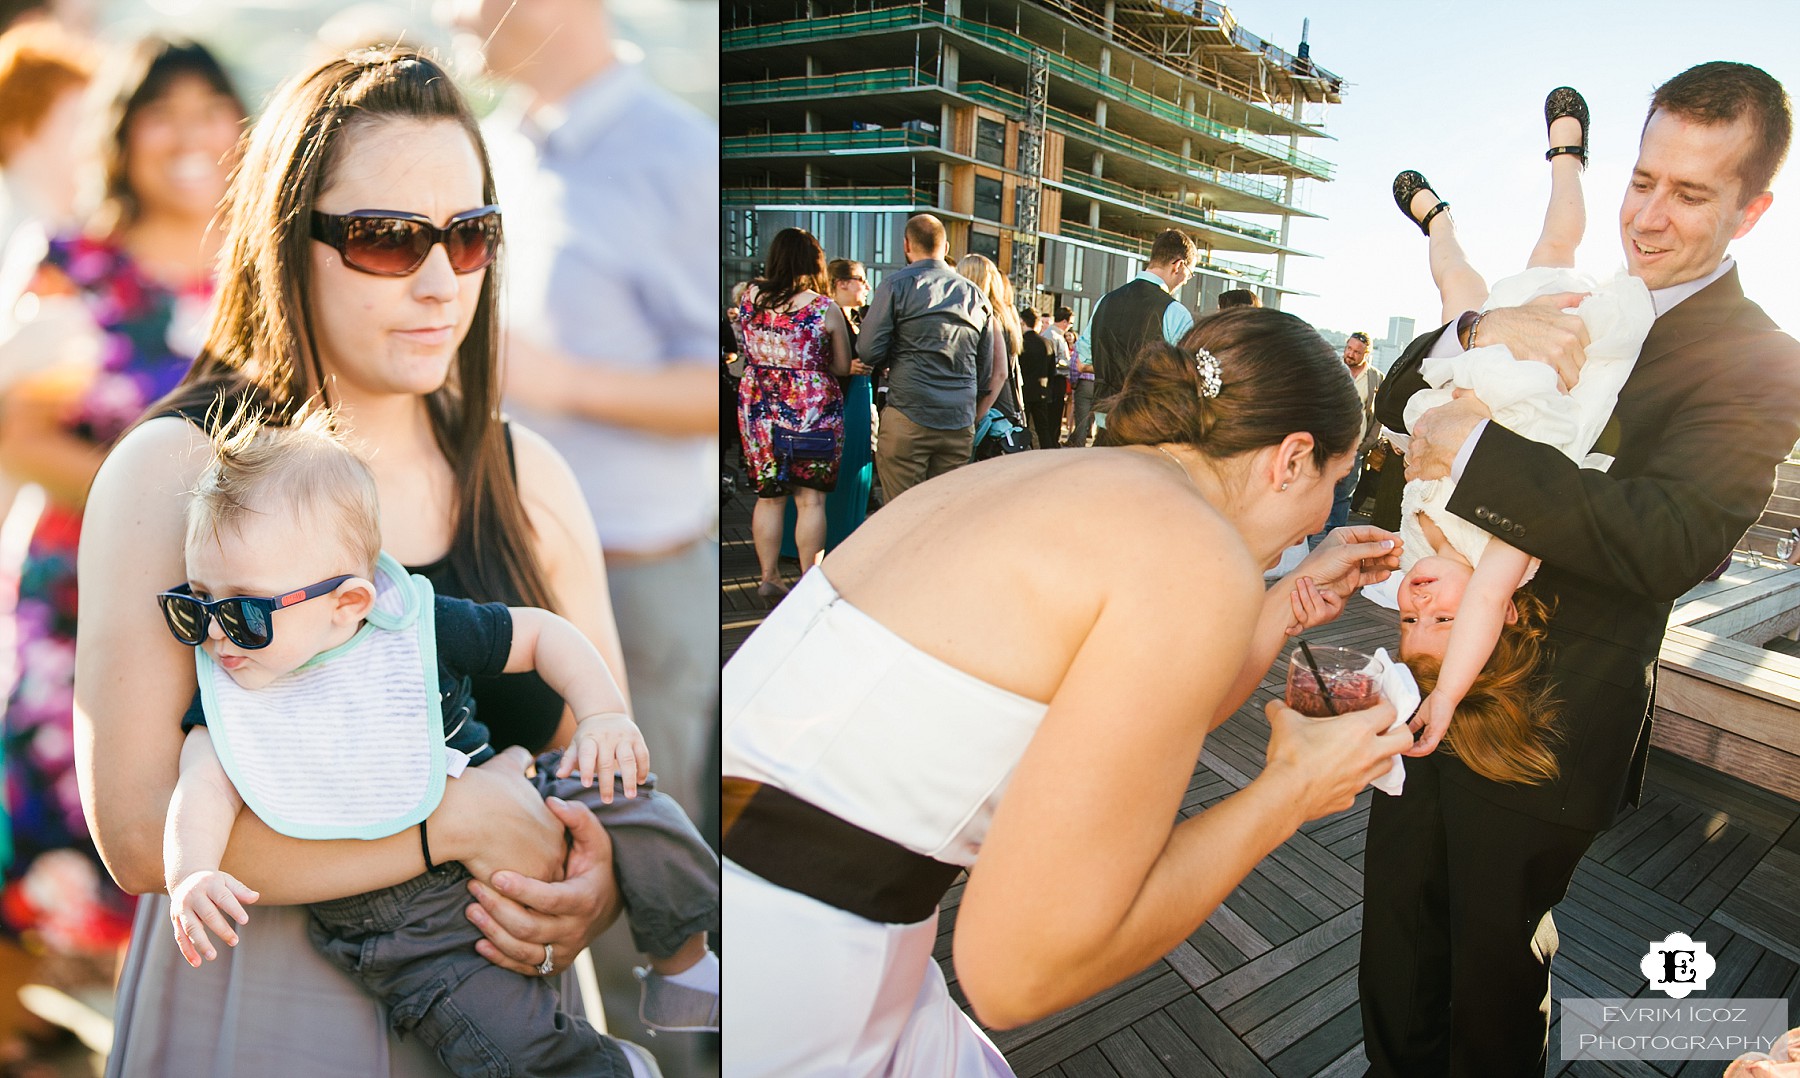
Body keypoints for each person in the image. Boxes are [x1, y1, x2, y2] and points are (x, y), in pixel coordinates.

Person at [75, 47, 651, 1077]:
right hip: (256, 1005)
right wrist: (444, 832)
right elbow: (132, 826)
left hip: (508, 1004)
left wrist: (594, 883)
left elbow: (603, 759)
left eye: (470, 237)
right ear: (286, 239)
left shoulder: (530, 476)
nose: (440, 282)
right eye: (389, 240)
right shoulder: (172, 467)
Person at [723, 308, 1414, 1076]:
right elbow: (1016, 974)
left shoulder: (1041, 475)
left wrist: (1285, 602)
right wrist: (1291, 788)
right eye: (1336, 480)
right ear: (1291, 458)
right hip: (797, 982)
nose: (1325, 517)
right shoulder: (1192, 551)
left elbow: (1138, 721)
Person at [1364, 62, 1800, 1075]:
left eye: (1690, 195)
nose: (1646, 218)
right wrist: (1479, 329)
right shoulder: (1571, 288)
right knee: (1393, 945)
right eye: (1643, 179)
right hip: (1421, 670)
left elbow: (1668, 539)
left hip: (1548, 726)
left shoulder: (1761, 360)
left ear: (1754, 209)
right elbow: (1392, 391)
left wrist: (1468, 441)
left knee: (1492, 987)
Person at [160, 413, 720, 1071]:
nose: (217, 634)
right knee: (504, 1046)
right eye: (196, 603)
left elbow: (542, 634)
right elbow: (199, 787)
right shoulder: (235, 697)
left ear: (347, 603)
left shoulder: (415, 630)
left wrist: (602, 714)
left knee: (638, 806)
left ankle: (682, 960)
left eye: (245, 612)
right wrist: (191, 872)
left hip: (519, 795)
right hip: (404, 931)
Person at [446, 0, 720, 861]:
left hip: (633, 589)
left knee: (638, 873)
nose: (451, 10)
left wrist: (563, 382)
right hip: (497, 579)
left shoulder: (678, 155)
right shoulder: (501, 144)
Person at [0, 32, 241, 998]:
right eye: (161, 113)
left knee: (187, 809)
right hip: (81, 587)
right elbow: (14, 433)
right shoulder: (76, 263)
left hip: (216, 599)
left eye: (209, 110)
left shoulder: (258, 264)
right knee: (60, 812)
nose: (188, 136)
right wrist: (147, 493)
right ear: (124, 134)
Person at [1384, 87, 1656, 773]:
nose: (1419, 606)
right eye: (1443, 622)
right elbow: (1483, 592)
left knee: (1455, 290)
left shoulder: (1416, 556)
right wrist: (1444, 696)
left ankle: (1439, 224)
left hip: (1469, 374)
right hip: (1539, 374)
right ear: (1493, 618)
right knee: (1556, 242)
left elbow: (1360, 563)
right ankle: (1568, 155)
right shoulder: (1511, 550)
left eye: (1409, 622)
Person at [735, 227, 854, 604]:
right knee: (810, 501)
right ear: (814, 262)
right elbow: (840, 364)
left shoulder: (750, 297)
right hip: (811, 410)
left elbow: (743, 349)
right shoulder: (823, 308)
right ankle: (807, 580)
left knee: (768, 497)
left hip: (758, 408)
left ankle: (768, 576)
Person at [859, 214, 997, 501]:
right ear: (946, 247)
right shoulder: (975, 296)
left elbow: (868, 351)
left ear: (906, 245)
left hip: (910, 412)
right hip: (958, 420)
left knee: (902, 511)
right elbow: (984, 371)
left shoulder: (896, 286)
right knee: (945, 513)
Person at [1078, 228, 1196, 428]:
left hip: (1105, 420)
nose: (1186, 280)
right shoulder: (1175, 312)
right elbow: (1186, 378)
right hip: (1148, 423)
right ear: (1178, 265)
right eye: (1190, 273)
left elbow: (1083, 362)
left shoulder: (1105, 302)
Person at [1308, 331, 1382, 545]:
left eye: (1356, 351)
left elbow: (1378, 415)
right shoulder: (1330, 370)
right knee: (1316, 492)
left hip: (1355, 448)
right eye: (1348, 348)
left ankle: (1335, 543)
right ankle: (1303, 541)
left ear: (1366, 354)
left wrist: (1366, 445)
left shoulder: (1374, 377)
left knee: (1343, 497)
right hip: (1326, 445)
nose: (1350, 354)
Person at [823, 257, 875, 542]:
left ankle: (843, 533)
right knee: (839, 471)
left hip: (857, 397)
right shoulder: (824, 312)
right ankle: (833, 535)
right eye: (861, 279)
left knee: (854, 469)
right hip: (839, 401)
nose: (867, 286)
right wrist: (842, 367)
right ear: (842, 283)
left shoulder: (854, 317)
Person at [1059, 306, 1095, 447]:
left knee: (1081, 416)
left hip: (1084, 382)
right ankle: (1079, 439)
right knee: (1093, 415)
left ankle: (1078, 443)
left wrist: (1074, 382)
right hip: (1098, 383)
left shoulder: (1083, 343)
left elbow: (1075, 364)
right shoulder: (1102, 344)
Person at [1039, 309, 1069, 450]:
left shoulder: (1057, 335)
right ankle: (1051, 443)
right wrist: (1066, 363)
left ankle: (1053, 441)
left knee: (1056, 414)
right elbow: (1051, 360)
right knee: (1053, 414)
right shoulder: (1052, 335)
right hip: (1055, 379)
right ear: (1064, 322)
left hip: (1058, 379)